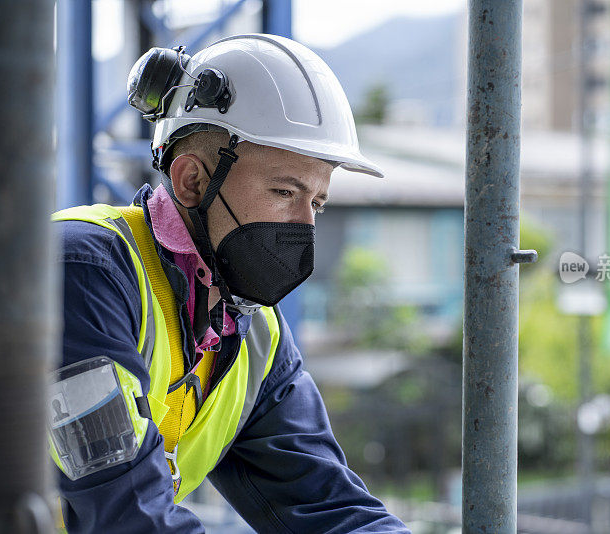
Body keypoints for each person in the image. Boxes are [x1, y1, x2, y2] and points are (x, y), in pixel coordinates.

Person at [50, 34, 410, 533]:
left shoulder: (255, 337)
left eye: (317, 203)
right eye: (284, 191)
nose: (304, 226)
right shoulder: (82, 273)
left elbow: (329, 507)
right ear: (191, 181)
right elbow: (122, 509)